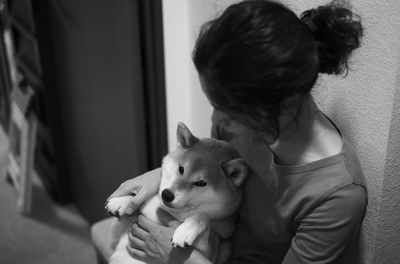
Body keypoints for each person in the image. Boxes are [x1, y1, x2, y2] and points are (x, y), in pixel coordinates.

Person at [108, 0, 368, 263]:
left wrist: (179, 258)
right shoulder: (241, 128)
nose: (216, 119)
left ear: (285, 107)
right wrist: (160, 178)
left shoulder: (337, 196)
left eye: (229, 112)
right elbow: (211, 172)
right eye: (215, 105)